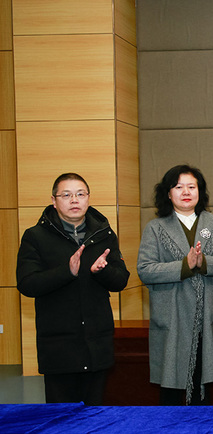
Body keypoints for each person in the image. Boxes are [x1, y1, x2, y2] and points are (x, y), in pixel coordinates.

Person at [16, 173, 129, 405]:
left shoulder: (104, 235)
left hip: (97, 344)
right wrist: (66, 272)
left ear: (88, 198)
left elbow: (120, 281)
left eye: (80, 194)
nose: (74, 200)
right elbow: (27, 283)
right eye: (66, 195)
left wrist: (103, 271)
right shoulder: (35, 236)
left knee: (96, 415)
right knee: (61, 416)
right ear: (54, 200)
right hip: (59, 346)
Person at [137, 165, 213, 405]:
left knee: (203, 388)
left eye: (191, 186)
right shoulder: (155, 228)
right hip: (172, 319)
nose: (186, 192)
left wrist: (203, 262)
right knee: (170, 391)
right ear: (168, 193)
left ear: (200, 191)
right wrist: (184, 266)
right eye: (178, 187)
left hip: (205, 319)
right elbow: (145, 270)